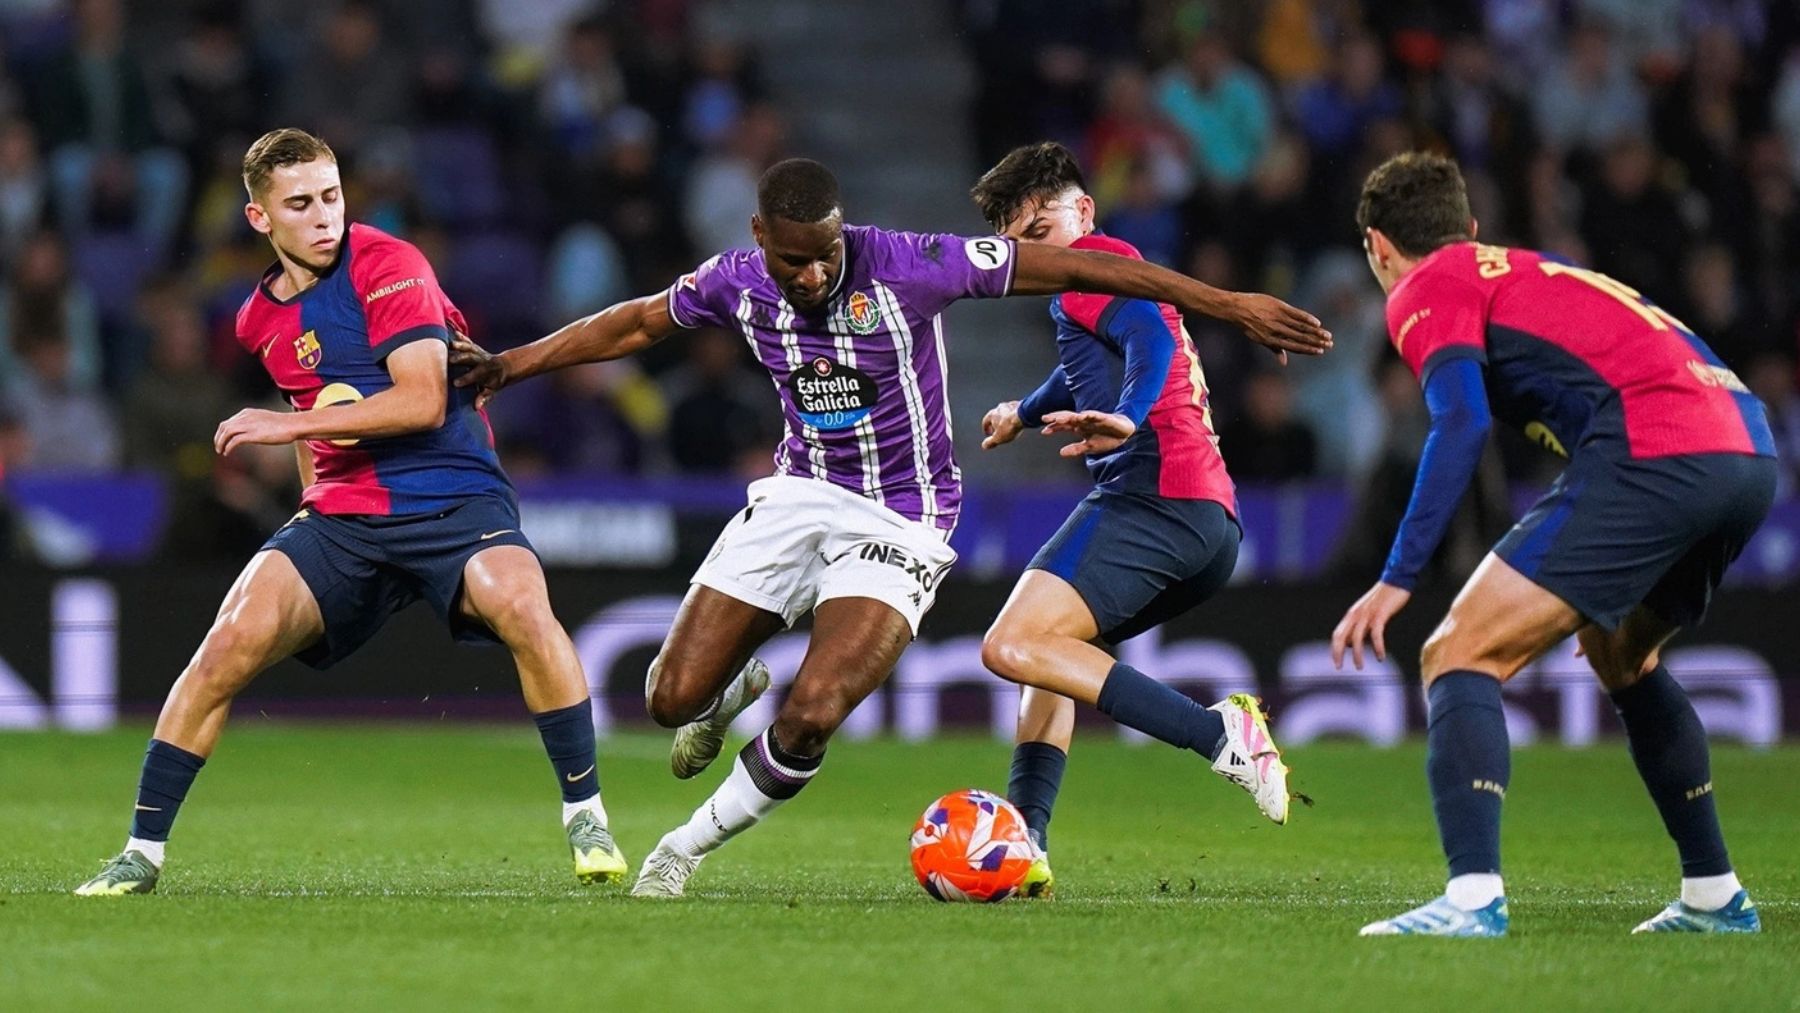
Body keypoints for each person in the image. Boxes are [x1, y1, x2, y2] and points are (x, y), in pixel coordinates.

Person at [451, 157, 1330, 898]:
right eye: (796, 260)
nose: (814, 275)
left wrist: (1227, 304)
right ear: (762, 239)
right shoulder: (734, 281)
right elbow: (639, 320)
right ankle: (733, 693)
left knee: (816, 711)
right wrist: (513, 363)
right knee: (666, 699)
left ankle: (681, 849)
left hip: (903, 517)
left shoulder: (913, 263)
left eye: (827, 254)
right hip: (797, 497)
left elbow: (1097, 275)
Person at [74, 128, 626, 897]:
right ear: (260, 218)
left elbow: (423, 399)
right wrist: (310, 491)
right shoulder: (255, 321)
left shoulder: (390, 263)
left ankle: (586, 815)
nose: (324, 216)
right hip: (343, 511)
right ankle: (141, 850)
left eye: (331, 196)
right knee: (227, 644)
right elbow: (320, 407)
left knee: (523, 604)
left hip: (454, 490)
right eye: (299, 203)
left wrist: (282, 425)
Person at [1333, 152, 1776, 937]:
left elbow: (1461, 420)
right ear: (1469, 228)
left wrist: (1399, 573)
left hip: (1658, 444)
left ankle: (1472, 899)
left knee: (1458, 651)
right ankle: (1714, 894)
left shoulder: (1425, 284)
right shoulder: (1525, 269)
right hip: (1747, 446)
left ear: (1378, 246)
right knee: (1622, 653)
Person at [969, 142, 1293, 900]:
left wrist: (1123, 413)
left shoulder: (1103, 261)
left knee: (1010, 643)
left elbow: (1146, 340)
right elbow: (1100, 353)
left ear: (1082, 211)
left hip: (1156, 496)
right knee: (1045, 652)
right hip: (1205, 521)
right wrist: (1026, 409)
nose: (1031, 254)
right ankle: (1029, 838)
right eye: (1018, 244)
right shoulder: (1089, 283)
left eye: (1040, 232)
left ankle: (1219, 735)